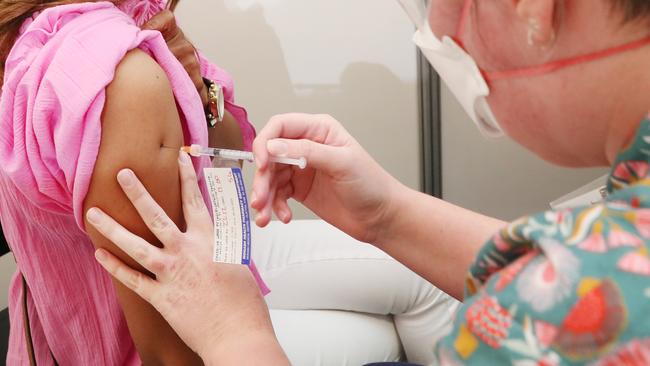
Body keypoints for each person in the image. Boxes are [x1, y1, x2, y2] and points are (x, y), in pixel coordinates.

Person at [87, 0, 650, 364]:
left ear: (537, 9)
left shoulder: (572, 313)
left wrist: (235, 336)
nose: (444, 31)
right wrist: (386, 215)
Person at [0, 0, 267, 364]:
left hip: (221, 288)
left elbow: (223, 158)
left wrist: (201, 95)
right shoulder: (121, 79)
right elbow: (169, 355)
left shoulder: (130, 26)